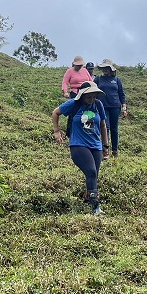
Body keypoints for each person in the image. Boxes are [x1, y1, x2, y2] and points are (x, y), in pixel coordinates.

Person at [52, 81, 109, 215]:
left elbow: (103, 126)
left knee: (93, 175)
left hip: (96, 145)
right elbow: (55, 113)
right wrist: (56, 131)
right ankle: (95, 206)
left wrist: (106, 145)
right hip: (78, 144)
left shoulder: (98, 105)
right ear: (82, 96)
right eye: (89, 97)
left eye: (94, 96)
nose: (92, 99)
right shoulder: (74, 104)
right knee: (91, 172)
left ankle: (87, 198)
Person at [95, 58, 127, 158]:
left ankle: (115, 151)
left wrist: (124, 108)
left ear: (111, 69)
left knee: (114, 129)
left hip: (115, 107)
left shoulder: (116, 80)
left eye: (107, 68)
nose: (105, 69)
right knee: (105, 127)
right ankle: (105, 151)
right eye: (103, 68)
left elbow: (121, 94)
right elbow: (92, 91)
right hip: (102, 107)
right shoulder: (98, 79)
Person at [61, 56, 93, 137]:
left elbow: (91, 81)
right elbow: (65, 82)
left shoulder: (85, 71)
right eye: (78, 65)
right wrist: (65, 92)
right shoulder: (69, 71)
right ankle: (69, 133)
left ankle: (86, 131)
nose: (79, 67)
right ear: (74, 64)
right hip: (75, 93)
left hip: (86, 93)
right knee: (74, 112)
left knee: (87, 112)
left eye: (80, 65)